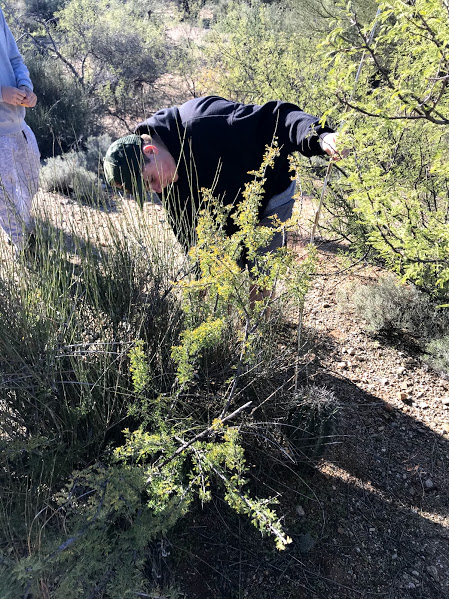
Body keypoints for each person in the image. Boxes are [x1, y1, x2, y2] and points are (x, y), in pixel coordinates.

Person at [103, 96, 342, 258]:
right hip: (227, 213)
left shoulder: (206, 121)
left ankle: (258, 332)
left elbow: (277, 119)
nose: (156, 190)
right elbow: (189, 235)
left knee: (260, 275)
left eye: (150, 180)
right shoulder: (164, 177)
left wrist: (321, 137)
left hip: (271, 192)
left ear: (151, 151)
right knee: (218, 278)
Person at [0, 7, 40, 254]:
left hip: (20, 127)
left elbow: (15, 59)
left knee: (29, 186)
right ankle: (24, 249)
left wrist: (26, 87)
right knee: (7, 200)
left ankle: (23, 238)